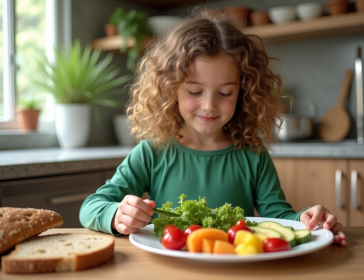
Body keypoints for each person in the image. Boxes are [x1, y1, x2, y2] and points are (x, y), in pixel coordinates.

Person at [79, 10, 347, 247]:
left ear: (243, 93)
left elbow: (277, 219)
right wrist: (116, 214)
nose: (208, 106)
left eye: (225, 92)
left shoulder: (253, 155)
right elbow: (90, 208)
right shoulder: (152, 153)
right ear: (171, 89)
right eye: (195, 91)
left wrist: (307, 221)